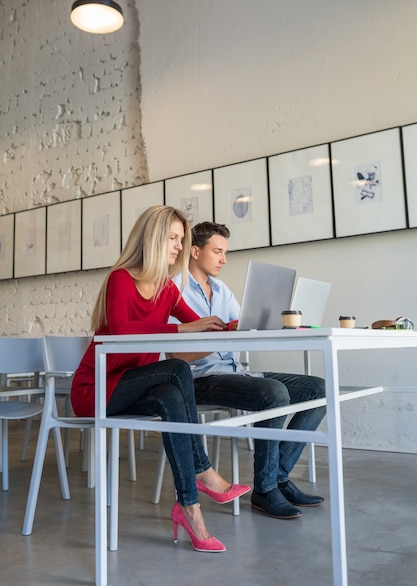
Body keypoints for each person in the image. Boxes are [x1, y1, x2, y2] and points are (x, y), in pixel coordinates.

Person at [71, 206, 250, 553]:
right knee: (177, 370)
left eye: (182, 240)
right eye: (173, 238)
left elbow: (202, 323)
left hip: (130, 387)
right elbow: (123, 330)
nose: (179, 247)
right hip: (95, 391)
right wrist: (183, 327)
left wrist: (235, 325)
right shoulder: (121, 278)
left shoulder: (167, 289)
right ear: (153, 238)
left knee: (171, 395)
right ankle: (204, 472)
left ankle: (190, 510)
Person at [169, 221, 327, 520]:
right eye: (217, 251)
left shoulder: (221, 289)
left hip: (234, 372)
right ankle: (266, 489)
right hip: (198, 378)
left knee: (318, 389)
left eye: (225, 252)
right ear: (194, 251)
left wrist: (274, 322)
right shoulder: (173, 288)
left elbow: (242, 329)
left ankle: (278, 478)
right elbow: (175, 354)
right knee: (274, 393)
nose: (224, 259)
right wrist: (223, 335)